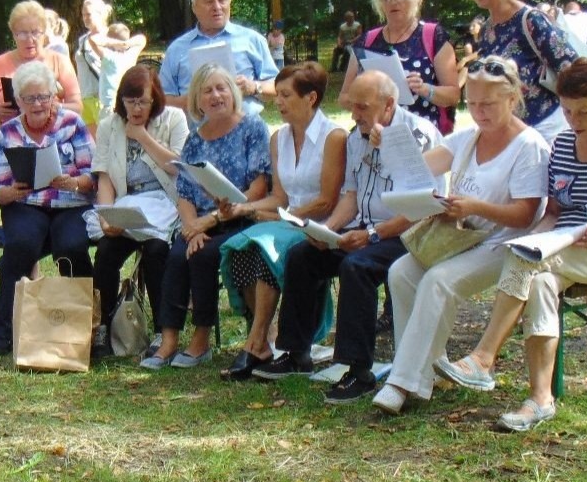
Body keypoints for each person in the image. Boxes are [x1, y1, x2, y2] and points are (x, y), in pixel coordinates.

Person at [439, 59, 587, 431]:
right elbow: (553, 211)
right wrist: (533, 237)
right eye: (567, 111)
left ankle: (483, 358)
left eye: (584, 111)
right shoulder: (564, 144)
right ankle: (540, 399)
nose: (574, 120)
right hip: (562, 248)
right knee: (535, 278)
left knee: (528, 265)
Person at [371, 56, 548, 414]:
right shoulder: (467, 137)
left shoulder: (529, 146)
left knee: (438, 280)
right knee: (401, 272)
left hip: (507, 244)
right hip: (462, 235)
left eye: (488, 104)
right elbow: (420, 168)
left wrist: (474, 207)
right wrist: (387, 143)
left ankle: (403, 382)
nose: (479, 112)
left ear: (513, 99)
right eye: (473, 104)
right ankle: (423, 369)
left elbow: (526, 214)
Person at [253, 70, 443, 400]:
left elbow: (422, 207)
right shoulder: (358, 137)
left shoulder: (418, 135)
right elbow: (351, 195)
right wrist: (329, 231)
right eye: (352, 107)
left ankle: (358, 370)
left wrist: (372, 235)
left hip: (406, 234)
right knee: (304, 256)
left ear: (389, 104)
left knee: (356, 267)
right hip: (365, 228)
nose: (354, 115)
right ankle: (296, 352)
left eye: (363, 108)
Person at [217, 62, 347, 380]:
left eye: (286, 95)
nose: (279, 102)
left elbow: (327, 200)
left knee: (263, 244)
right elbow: (280, 197)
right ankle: (266, 336)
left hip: (322, 224)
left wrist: (287, 217)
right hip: (289, 220)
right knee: (238, 245)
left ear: (311, 98)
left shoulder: (334, 137)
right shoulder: (279, 139)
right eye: (278, 95)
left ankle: (256, 342)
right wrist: (244, 208)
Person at [141, 64, 270, 370]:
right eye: (207, 90)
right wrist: (192, 226)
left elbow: (258, 187)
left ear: (233, 92)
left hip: (240, 217)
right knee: (176, 255)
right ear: (197, 101)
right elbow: (185, 189)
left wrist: (210, 221)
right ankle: (169, 338)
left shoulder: (252, 127)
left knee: (202, 255)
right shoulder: (196, 139)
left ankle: (201, 339)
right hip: (199, 221)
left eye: (221, 88)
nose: (215, 96)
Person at [0, 61, 96, 354]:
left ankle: (89, 328)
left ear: (53, 97)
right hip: (26, 203)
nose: (38, 103)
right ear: (18, 100)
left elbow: (92, 175)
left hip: (69, 203)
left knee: (71, 248)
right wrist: (10, 191)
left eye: (44, 96)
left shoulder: (72, 122)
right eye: (30, 98)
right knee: (20, 246)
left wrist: (74, 183)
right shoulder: (9, 131)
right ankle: (5, 334)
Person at [90, 65, 189, 354]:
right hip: (128, 202)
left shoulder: (173, 119)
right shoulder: (110, 125)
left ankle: (162, 330)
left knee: (157, 251)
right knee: (107, 250)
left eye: (142, 102)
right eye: (130, 102)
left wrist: (143, 136)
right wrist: (106, 214)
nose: (136, 108)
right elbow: (105, 177)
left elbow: (178, 167)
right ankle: (103, 327)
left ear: (154, 99)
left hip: (165, 202)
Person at [464, 0, 580, 144]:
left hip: (546, 128)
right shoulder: (486, 29)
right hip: (509, 132)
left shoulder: (531, 20)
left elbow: (572, 69)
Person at [340, 0, 460, 135]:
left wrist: (424, 89)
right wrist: (366, 101)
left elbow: (453, 95)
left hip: (420, 136)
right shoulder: (367, 41)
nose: (393, 2)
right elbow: (344, 97)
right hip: (373, 135)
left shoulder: (433, 35)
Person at [158, 0, 278, 120]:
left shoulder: (252, 40)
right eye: (209, 1)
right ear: (194, 6)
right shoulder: (177, 49)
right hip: (197, 135)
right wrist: (189, 101)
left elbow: (278, 87)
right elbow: (161, 99)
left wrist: (253, 87)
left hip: (246, 133)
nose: (217, 7)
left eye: (222, 0)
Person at [0, 0, 82, 126]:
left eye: (35, 32)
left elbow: (77, 107)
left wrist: (54, 106)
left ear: (44, 32)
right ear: (13, 34)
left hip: (55, 138)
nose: (30, 39)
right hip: (13, 138)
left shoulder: (59, 61)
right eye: (22, 33)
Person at [92, 22, 146, 112]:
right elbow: (142, 39)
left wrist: (113, 43)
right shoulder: (130, 54)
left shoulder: (109, 56)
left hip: (110, 106)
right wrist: (126, 43)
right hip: (127, 104)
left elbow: (92, 40)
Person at [75, 0, 112, 124]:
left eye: (88, 14)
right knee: (92, 143)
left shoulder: (110, 37)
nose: (85, 18)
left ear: (100, 14)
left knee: (106, 141)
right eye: (83, 14)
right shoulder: (82, 40)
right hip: (85, 98)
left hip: (100, 98)